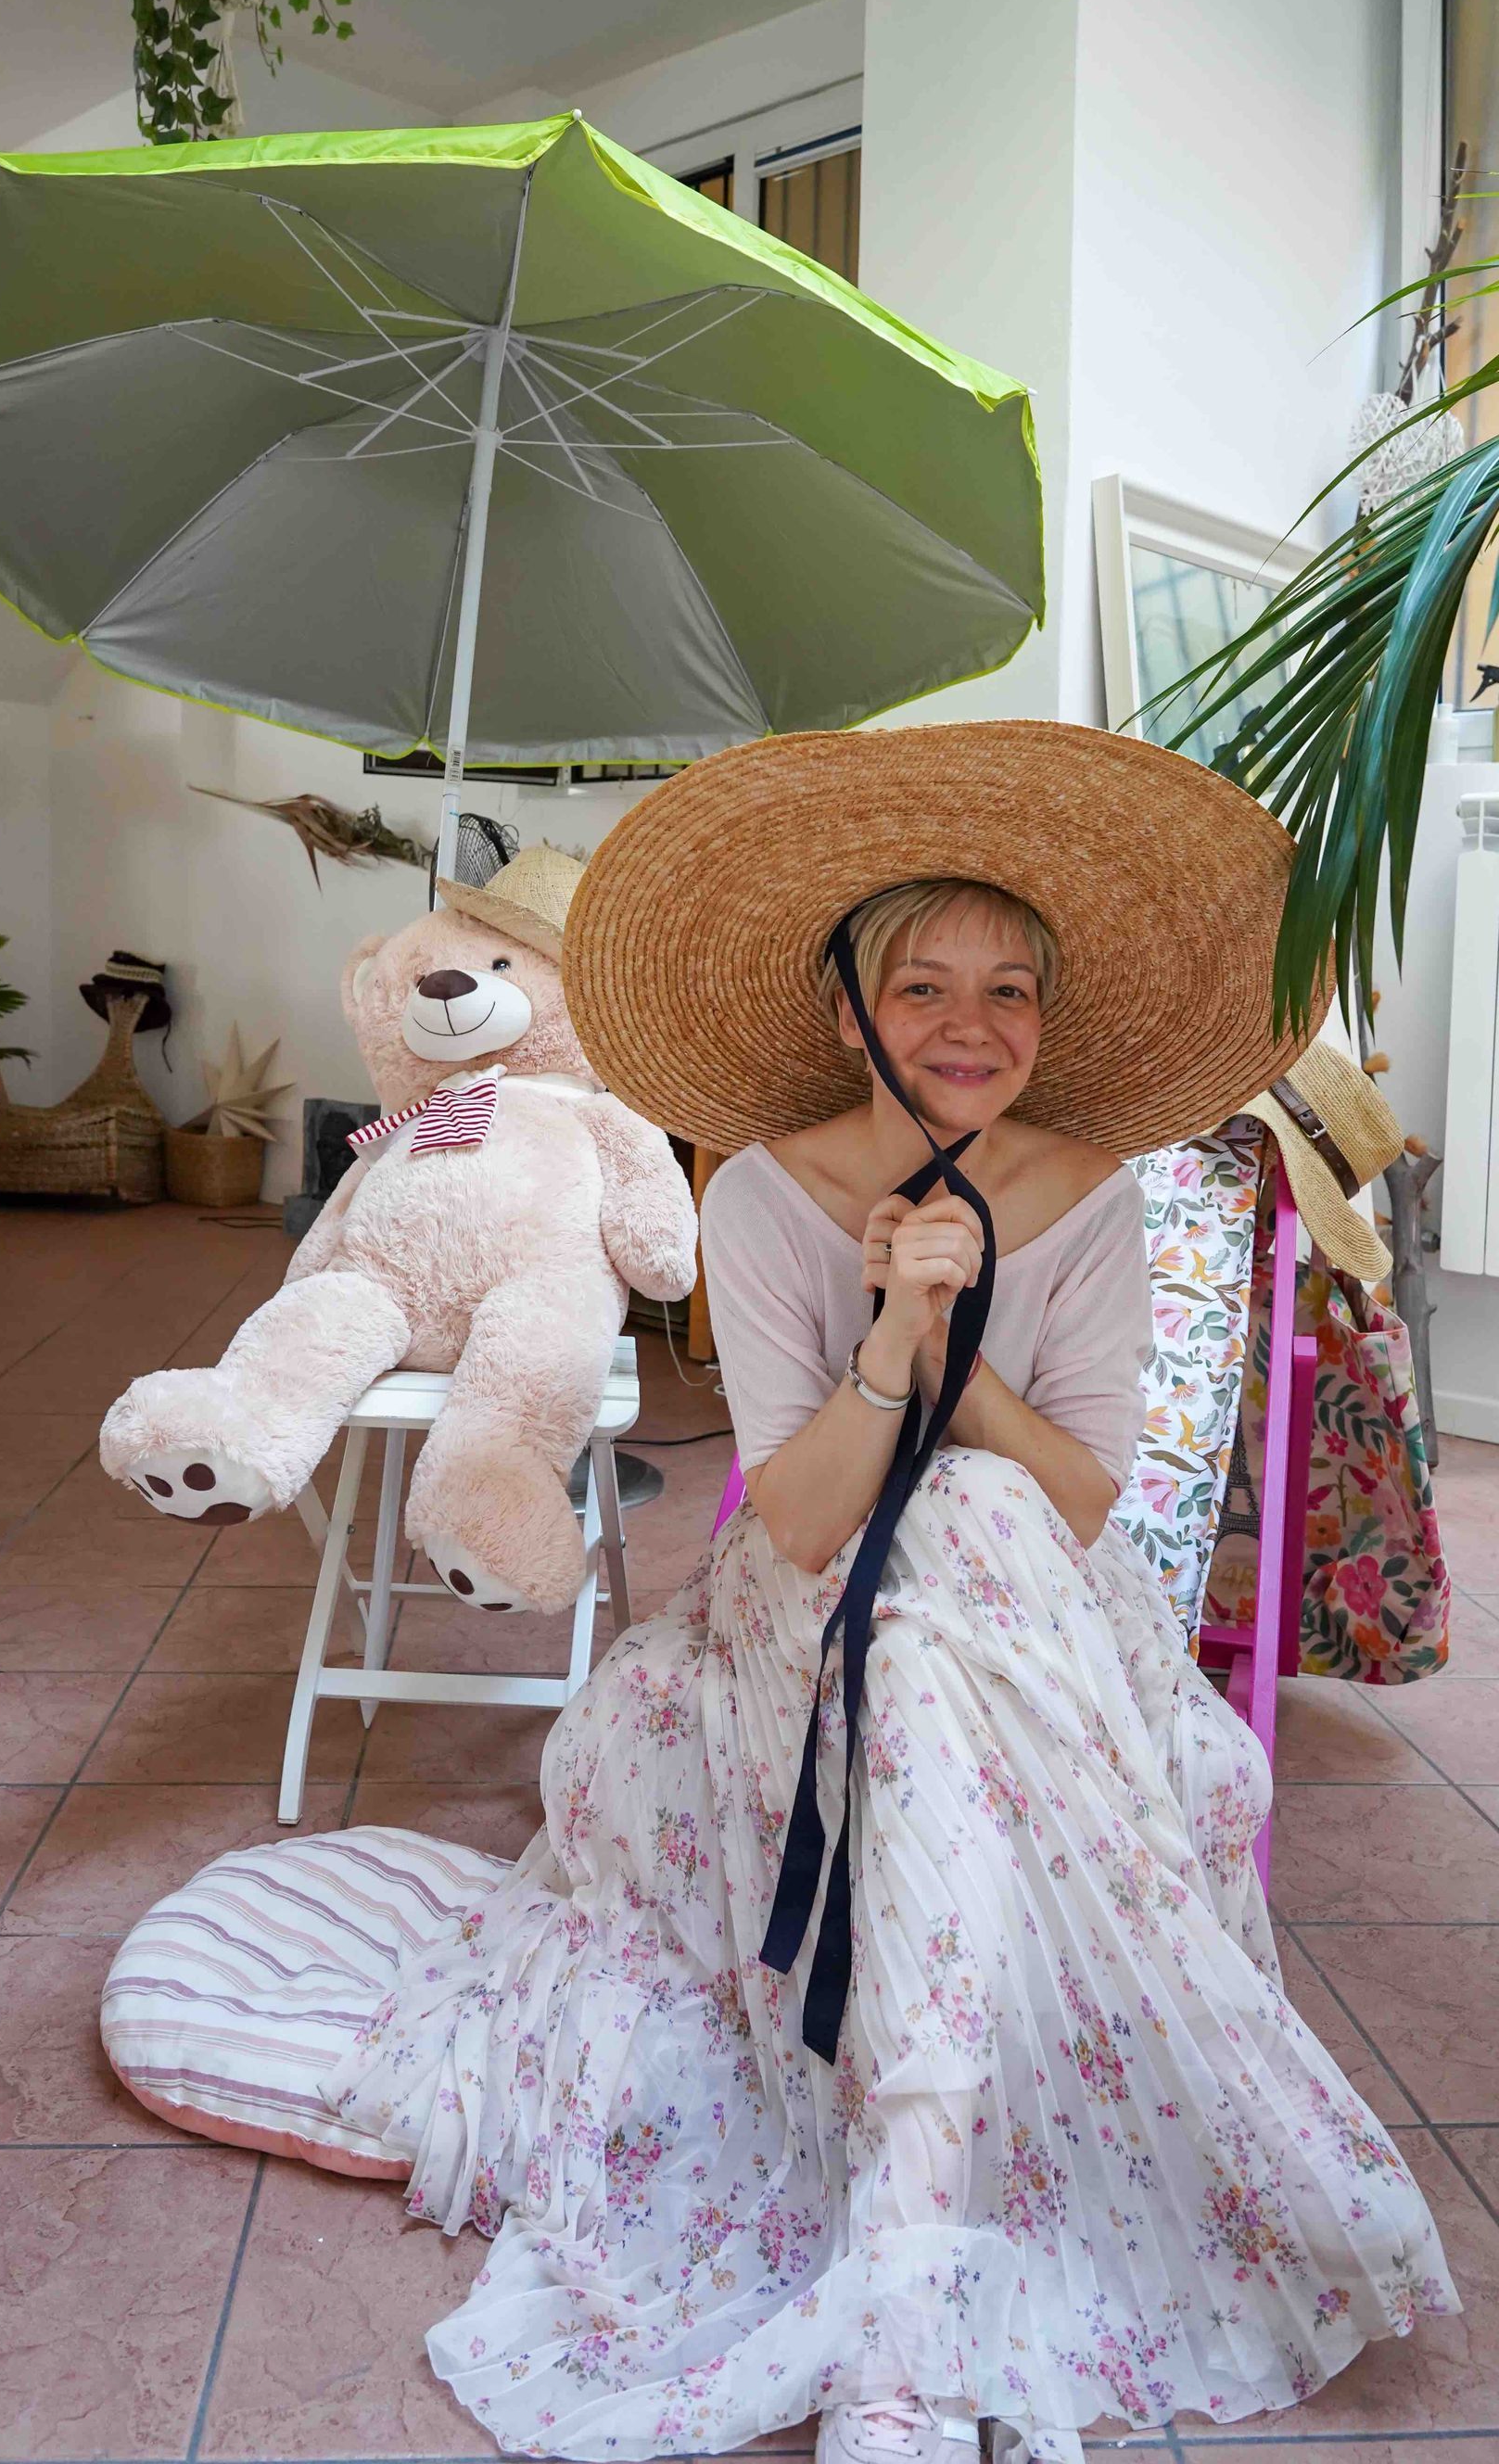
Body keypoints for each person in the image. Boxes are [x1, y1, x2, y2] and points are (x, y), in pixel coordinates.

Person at [106, 723, 1457, 2464]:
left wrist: (955, 1343)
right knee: (930, 1561)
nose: (972, 1026)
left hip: (1029, 1603)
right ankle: (916, 2247)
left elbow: (1079, 1500)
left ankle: (919, 2229)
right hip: (806, 1614)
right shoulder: (754, 1192)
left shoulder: (1090, 1197)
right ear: (845, 1010)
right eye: (922, 986)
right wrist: (885, 1334)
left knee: (976, 1513)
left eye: (1010, 991)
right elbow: (807, 1521)